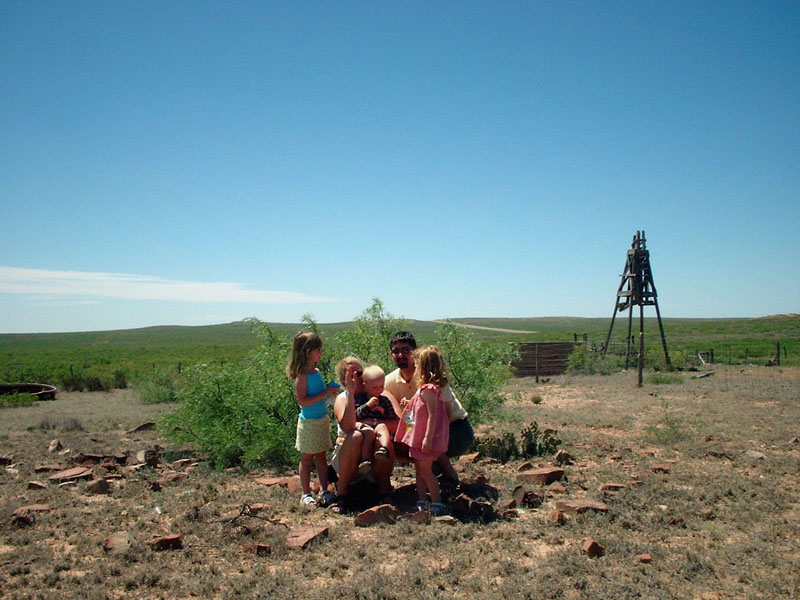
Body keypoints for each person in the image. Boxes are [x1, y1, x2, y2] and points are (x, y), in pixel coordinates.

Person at [384, 331, 474, 484]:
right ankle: (430, 471)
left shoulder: (432, 377)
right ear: (391, 355)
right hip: (424, 431)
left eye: (406, 350)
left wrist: (418, 431)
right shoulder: (389, 381)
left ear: (415, 352)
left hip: (456, 430)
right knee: (394, 438)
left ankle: (449, 474)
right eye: (396, 351)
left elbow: (443, 415)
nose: (401, 355)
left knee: (416, 435)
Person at [330, 357, 397, 512]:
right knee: (355, 436)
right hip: (350, 460)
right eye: (350, 375)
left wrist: (373, 421)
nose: (356, 378)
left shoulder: (381, 394)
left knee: (384, 439)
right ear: (343, 379)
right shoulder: (343, 399)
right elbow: (348, 426)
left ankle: (384, 490)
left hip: (374, 461)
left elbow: (398, 423)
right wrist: (352, 393)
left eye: (359, 373)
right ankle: (341, 494)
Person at [394, 345, 450, 515]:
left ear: (424, 367)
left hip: (424, 437)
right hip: (417, 436)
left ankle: (437, 502)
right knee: (419, 469)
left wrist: (428, 438)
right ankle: (422, 500)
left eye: (417, 364)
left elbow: (433, 415)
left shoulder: (429, 390)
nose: (415, 367)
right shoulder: (426, 389)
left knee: (425, 470)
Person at [285, 331, 339, 508]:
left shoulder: (316, 372)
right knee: (307, 458)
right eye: (318, 350)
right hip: (308, 423)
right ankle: (306, 493)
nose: (320, 353)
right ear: (308, 352)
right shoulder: (302, 377)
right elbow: (303, 401)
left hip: (321, 419)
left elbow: (318, 397)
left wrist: (330, 395)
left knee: (322, 457)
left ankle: (324, 490)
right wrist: (325, 393)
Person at [356, 365, 400, 462]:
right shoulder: (361, 399)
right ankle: (365, 459)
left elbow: (392, 415)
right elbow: (357, 415)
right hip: (366, 428)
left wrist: (382, 410)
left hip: (379, 426)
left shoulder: (384, 400)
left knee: (383, 427)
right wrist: (367, 406)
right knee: (368, 434)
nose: (378, 390)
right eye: (374, 387)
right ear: (365, 386)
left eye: (381, 386)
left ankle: (384, 449)